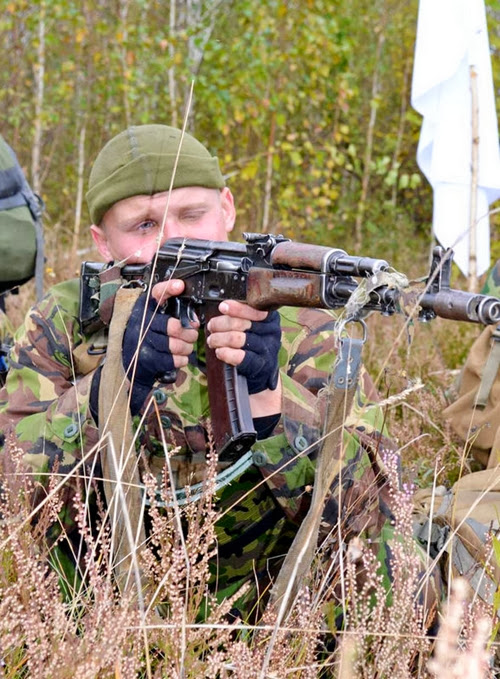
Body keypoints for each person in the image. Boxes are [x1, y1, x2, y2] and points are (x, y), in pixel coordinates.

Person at [0, 124, 415, 622]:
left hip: (275, 606)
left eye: (192, 215)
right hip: (105, 611)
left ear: (228, 209)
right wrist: (111, 388)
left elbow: (376, 509)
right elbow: (14, 498)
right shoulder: (66, 321)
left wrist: (274, 403)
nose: (175, 240)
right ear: (102, 241)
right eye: (144, 226)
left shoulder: (302, 321)